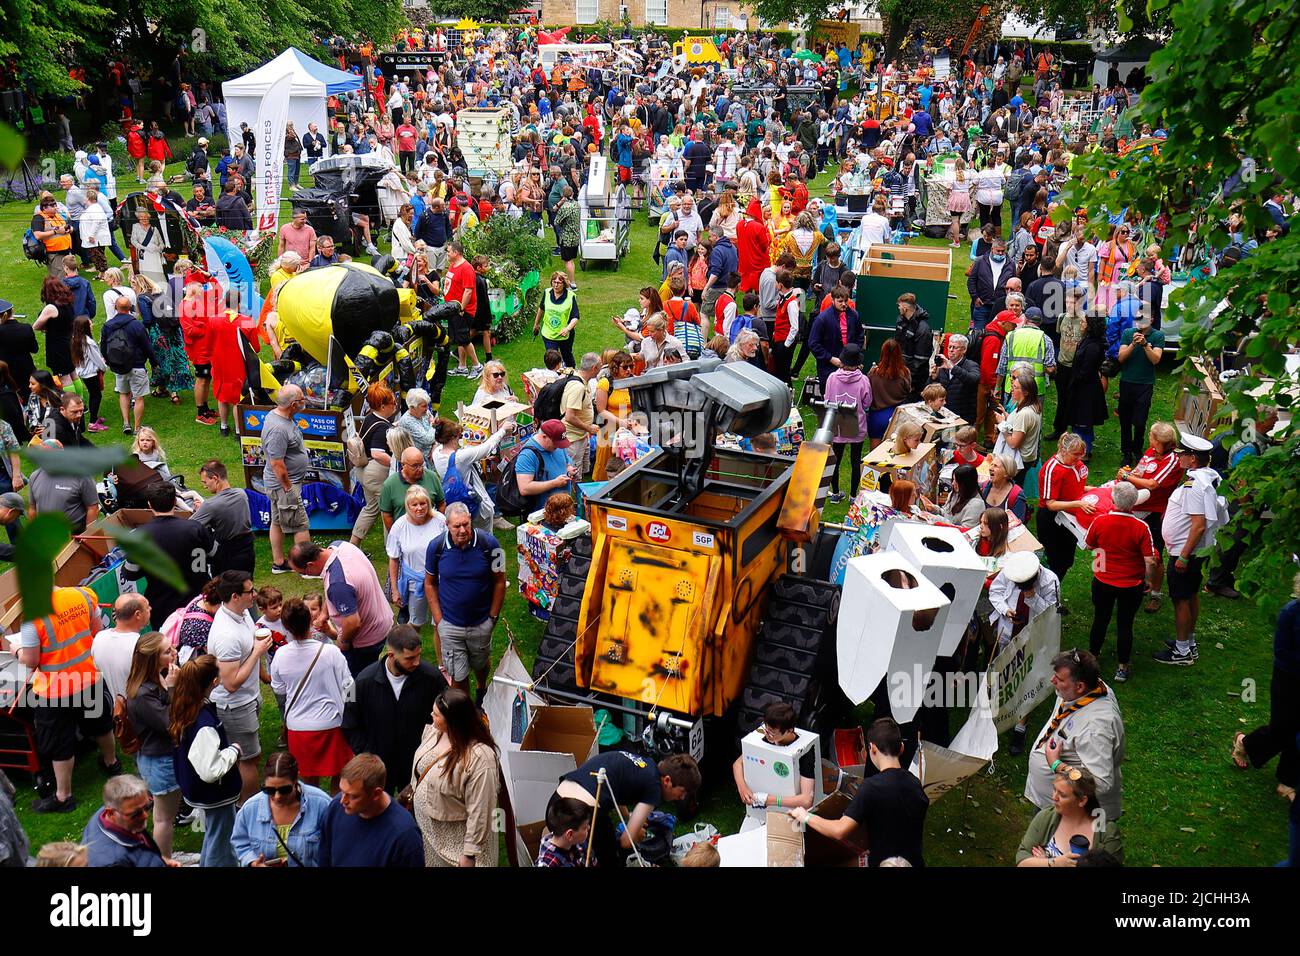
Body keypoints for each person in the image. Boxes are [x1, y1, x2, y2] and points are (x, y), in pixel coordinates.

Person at [14, 585, 117, 813]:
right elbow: (96, 631)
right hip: (89, 676)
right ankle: (111, 762)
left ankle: (63, 796)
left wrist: (17, 650)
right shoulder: (83, 595)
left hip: (55, 691)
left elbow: (30, 661)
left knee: (60, 741)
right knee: (100, 724)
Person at [790, 717, 929, 867]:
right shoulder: (916, 783)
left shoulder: (871, 787)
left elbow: (839, 831)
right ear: (901, 748)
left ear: (872, 748)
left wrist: (806, 816)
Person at [343, 625, 447, 795]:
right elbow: (349, 723)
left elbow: (449, 716)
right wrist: (367, 753)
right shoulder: (362, 682)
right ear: (391, 655)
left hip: (418, 763)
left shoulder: (432, 678)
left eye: (418, 655)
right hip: (380, 767)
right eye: (410, 658)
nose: (416, 662)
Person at [551, 751, 701, 868]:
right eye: (682, 792)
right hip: (584, 812)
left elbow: (617, 791)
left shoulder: (645, 765)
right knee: (611, 857)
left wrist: (629, 817)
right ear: (667, 780)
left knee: (573, 851)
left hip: (556, 802)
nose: (681, 798)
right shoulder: (655, 789)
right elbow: (626, 842)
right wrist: (636, 835)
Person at [1025, 649, 1125, 821]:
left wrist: (1057, 765)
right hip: (1057, 803)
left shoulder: (1096, 728)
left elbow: (1101, 784)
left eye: (1060, 679)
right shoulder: (1085, 690)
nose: (1052, 680)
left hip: (1077, 816)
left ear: (1080, 686)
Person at [411, 688, 504, 867]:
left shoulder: (480, 759)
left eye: (437, 714)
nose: (431, 714)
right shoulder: (435, 731)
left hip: (456, 847)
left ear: (453, 721)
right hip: (431, 838)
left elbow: (481, 809)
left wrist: (469, 854)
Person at [1152, 433, 1223, 667]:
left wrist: (1183, 556)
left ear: (1192, 459)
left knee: (1181, 599)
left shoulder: (1193, 486)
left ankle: (1182, 651)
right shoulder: (1204, 479)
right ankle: (1188, 641)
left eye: (1183, 454)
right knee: (1191, 594)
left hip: (1185, 552)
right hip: (1194, 551)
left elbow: (1199, 524)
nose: (1179, 457)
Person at [270, 599, 355, 791]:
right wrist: (352, 713)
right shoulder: (331, 652)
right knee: (341, 775)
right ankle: (337, 812)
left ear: (286, 626)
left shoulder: (280, 656)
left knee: (308, 784)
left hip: (298, 728)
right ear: (310, 620)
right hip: (331, 724)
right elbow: (349, 686)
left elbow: (279, 690)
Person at [425, 503, 506, 702]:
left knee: (481, 663)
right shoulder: (435, 547)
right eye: (456, 526)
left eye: (466, 524)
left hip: (481, 622)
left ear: (471, 520)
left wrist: (492, 618)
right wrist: (439, 620)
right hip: (450, 625)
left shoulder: (491, 544)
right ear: (447, 525)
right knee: (458, 676)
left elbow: (500, 582)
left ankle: (481, 689)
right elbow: (429, 583)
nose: (462, 530)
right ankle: (467, 712)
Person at [1232, 573, 1300, 805]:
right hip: (1288, 677)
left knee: (1299, 730)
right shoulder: (1291, 613)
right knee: (1282, 728)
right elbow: (1282, 652)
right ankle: (1244, 742)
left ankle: (1287, 780)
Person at [170, 654, 244, 867]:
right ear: (213, 681)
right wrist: (234, 751)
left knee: (218, 835)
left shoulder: (185, 707)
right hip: (214, 793)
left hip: (198, 789)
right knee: (219, 839)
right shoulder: (203, 722)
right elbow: (210, 770)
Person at [207, 570, 272, 804]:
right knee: (247, 760)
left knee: (250, 756)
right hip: (235, 705)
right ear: (235, 596)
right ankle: (249, 807)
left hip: (249, 697)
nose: (254, 595)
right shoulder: (226, 635)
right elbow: (231, 683)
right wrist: (257, 652)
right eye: (250, 591)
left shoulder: (242, 613)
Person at [289, 541, 395, 677]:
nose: (304, 576)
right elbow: (336, 590)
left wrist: (343, 642)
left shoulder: (338, 584)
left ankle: (354, 698)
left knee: (355, 680)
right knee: (370, 672)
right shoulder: (340, 546)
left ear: (310, 565)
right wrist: (324, 614)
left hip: (365, 641)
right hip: (381, 622)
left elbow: (353, 622)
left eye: (302, 573)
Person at [1085, 481, 1156, 683]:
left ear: (1114, 500)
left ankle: (1092, 659)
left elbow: (1090, 546)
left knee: (1100, 619)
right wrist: (1148, 581)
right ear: (1134, 503)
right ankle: (1122, 667)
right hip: (1131, 584)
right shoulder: (1141, 527)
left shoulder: (1099, 521)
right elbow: (1149, 559)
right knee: (1125, 624)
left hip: (1103, 580)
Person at [123, 631, 183, 857]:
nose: (173, 653)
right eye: (167, 652)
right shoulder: (142, 693)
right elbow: (170, 723)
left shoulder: (156, 676)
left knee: (164, 815)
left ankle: (166, 855)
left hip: (161, 757)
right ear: (152, 659)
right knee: (163, 819)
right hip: (159, 760)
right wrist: (173, 688)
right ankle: (165, 860)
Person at [124, 484, 216, 629]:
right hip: (199, 602)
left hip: (163, 607)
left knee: (167, 649)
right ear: (174, 502)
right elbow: (215, 554)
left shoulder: (140, 536)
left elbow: (130, 573)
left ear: (149, 504)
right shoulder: (195, 528)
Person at [1117, 422, 1182, 613]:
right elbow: (1141, 472)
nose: (1149, 438)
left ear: (1158, 440)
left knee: (1155, 555)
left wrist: (1127, 478)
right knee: (1133, 547)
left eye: (1151, 436)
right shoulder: (1151, 452)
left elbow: (1153, 484)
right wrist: (1128, 473)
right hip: (1137, 507)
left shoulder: (1171, 460)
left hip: (1155, 512)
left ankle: (1155, 594)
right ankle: (1140, 581)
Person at [319, 753, 424, 867]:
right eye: (342, 792)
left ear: (376, 793)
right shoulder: (336, 809)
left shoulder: (404, 835)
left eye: (353, 796)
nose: (342, 800)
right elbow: (325, 859)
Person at [231, 751, 333, 867]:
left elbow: (337, 846)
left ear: (296, 781)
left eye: (284, 790)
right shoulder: (250, 809)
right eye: (269, 790)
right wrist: (254, 863)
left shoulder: (322, 804)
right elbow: (240, 843)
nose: (277, 796)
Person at [1016, 767, 1124, 866]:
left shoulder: (1106, 831)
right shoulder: (1046, 817)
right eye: (1054, 790)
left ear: (1082, 800)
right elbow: (1022, 860)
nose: (1054, 797)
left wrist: (1043, 862)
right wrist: (1052, 863)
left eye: (1062, 795)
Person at [263, 385, 313, 574]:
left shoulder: (280, 416)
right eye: (302, 399)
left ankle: (279, 563)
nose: (304, 401)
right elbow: (277, 464)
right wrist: (288, 489)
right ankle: (306, 566)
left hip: (281, 485)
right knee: (300, 524)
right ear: (293, 404)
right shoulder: (278, 429)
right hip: (283, 486)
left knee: (277, 521)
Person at [733, 701, 817, 812]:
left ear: (789, 730)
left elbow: (806, 800)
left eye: (772, 733)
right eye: (766, 730)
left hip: (792, 812)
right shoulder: (766, 737)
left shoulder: (804, 753)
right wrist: (742, 787)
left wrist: (770, 800)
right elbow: (738, 764)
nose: (767, 735)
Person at [386, 485, 447, 626]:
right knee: (415, 622)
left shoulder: (440, 521)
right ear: (408, 506)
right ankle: (411, 648)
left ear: (428, 503)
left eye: (423, 503)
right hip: (415, 583)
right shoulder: (399, 526)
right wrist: (395, 590)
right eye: (414, 504)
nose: (419, 508)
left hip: (441, 580)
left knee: (441, 624)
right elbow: (394, 559)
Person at [81, 775, 169, 868]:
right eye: (135, 814)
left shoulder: (109, 813)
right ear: (110, 813)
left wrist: (160, 861)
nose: (145, 816)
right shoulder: (113, 863)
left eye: (147, 807)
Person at [100, 292, 155, 435]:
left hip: (119, 366)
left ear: (116, 307)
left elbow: (104, 347)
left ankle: (126, 423)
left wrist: (111, 362)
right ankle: (137, 427)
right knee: (139, 397)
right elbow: (147, 346)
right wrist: (154, 363)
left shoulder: (107, 326)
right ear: (130, 307)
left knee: (124, 394)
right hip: (137, 365)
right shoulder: (136, 325)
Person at [1116, 313, 1165, 468]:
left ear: (1151, 320)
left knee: (1140, 420)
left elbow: (1156, 359)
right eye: (1137, 318)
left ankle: (1137, 450)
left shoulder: (1157, 336)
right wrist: (1133, 344)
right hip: (1127, 382)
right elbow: (1121, 358)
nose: (1138, 321)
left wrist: (1145, 345)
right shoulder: (1128, 333)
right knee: (1125, 419)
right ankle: (1126, 453)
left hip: (1144, 384)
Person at [825, 343, 872, 503]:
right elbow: (867, 402)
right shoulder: (864, 380)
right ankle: (853, 496)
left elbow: (827, 400)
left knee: (835, 461)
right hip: (856, 426)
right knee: (855, 460)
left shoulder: (832, 378)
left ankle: (836, 494)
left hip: (837, 425)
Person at [194, 460, 255, 576]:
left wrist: (200, 511)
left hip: (227, 554)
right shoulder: (241, 494)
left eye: (205, 482)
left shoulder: (210, 505)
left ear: (215, 478)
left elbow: (189, 527)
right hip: (248, 548)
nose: (204, 486)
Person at [90, 593, 151, 702]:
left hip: (116, 711)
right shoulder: (141, 646)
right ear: (138, 614)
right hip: (143, 709)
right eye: (147, 607)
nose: (150, 609)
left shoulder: (99, 638)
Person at [1063, 313, 1108, 453]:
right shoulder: (1087, 341)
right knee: (1079, 418)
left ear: (1089, 326)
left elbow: (1086, 370)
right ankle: (1082, 446)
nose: (1081, 325)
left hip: (1086, 389)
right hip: (1081, 386)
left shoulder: (1093, 346)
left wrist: (1075, 379)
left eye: (1083, 323)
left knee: (1083, 420)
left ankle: (1085, 450)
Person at [514, 419, 579, 513]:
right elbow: (524, 488)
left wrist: (569, 469)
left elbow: (566, 463)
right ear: (544, 436)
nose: (558, 447)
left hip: (564, 506)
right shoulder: (527, 455)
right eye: (556, 444)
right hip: (544, 513)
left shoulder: (557, 444)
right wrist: (555, 483)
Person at [994, 368, 1043, 487]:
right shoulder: (1029, 405)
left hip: (1019, 460)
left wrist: (1002, 424)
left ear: (1025, 392)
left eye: (1015, 387)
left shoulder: (1024, 414)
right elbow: (1018, 425)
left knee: (1011, 488)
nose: (1011, 389)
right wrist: (1006, 416)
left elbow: (1013, 443)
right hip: (1025, 458)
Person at [808, 285, 863, 390]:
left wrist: (854, 354)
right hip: (828, 366)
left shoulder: (854, 315)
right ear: (833, 300)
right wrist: (830, 358)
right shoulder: (822, 319)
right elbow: (813, 343)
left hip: (850, 365)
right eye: (840, 301)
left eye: (846, 301)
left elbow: (859, 336)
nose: (844, 304)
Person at [380, 447, 445, 534]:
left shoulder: (432, 477)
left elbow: (441, 503)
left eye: (421, 464)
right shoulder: (389, 485)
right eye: (415, 466)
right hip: (405, 534)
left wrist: (438, 525)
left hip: (431, 531)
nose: (420, 469)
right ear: (403, 465)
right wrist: (395, 535)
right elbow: (387, 515)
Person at [562, 353, 601, 478]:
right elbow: (569, 416)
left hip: (582, 436)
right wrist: (589, 428)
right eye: (600, 367)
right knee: (573, 476)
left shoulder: (584, 381)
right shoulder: (578, 387)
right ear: (594, 368)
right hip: (573, 440)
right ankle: (572, 497)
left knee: (582, 473)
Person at [967, 237, 1014, 331]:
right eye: (998, 251)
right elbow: (971, 281)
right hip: (982, 304)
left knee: (997, 333)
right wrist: (975, 297)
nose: (1000, 253)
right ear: (992, 249)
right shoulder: (980, 261)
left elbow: (1013, 283)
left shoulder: (1011, 264)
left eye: (1003, 251)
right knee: (978, 334)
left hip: (1000, 306)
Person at [534, 271, 579, 368]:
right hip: (549, 333)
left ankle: (572, 375)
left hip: (565, 335)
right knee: (552, 359)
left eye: (559, 282)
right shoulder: (547, 293)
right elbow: (541, 308)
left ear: (564, 284)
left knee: (567, 357)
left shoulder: (570, 297)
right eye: (554, 282)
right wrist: (536, 324)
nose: (556, 285)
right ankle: (554, 379)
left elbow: (575, 317)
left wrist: (567, 329)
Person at [535, 796, 592, 868]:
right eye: (585, 827)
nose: (589, 828)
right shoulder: (547, 864)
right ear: (570, 834)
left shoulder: (579, 842)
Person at [397, 387, 438, 461]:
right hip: (418, 461)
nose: (427, 408)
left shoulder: (424, 413)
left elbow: (437, 430)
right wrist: (432, 424)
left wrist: (434, 444)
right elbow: (428, 439)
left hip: (430, 453)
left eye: (427, 405)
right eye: (424, 406)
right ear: (412, 407)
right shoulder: (408, 421)